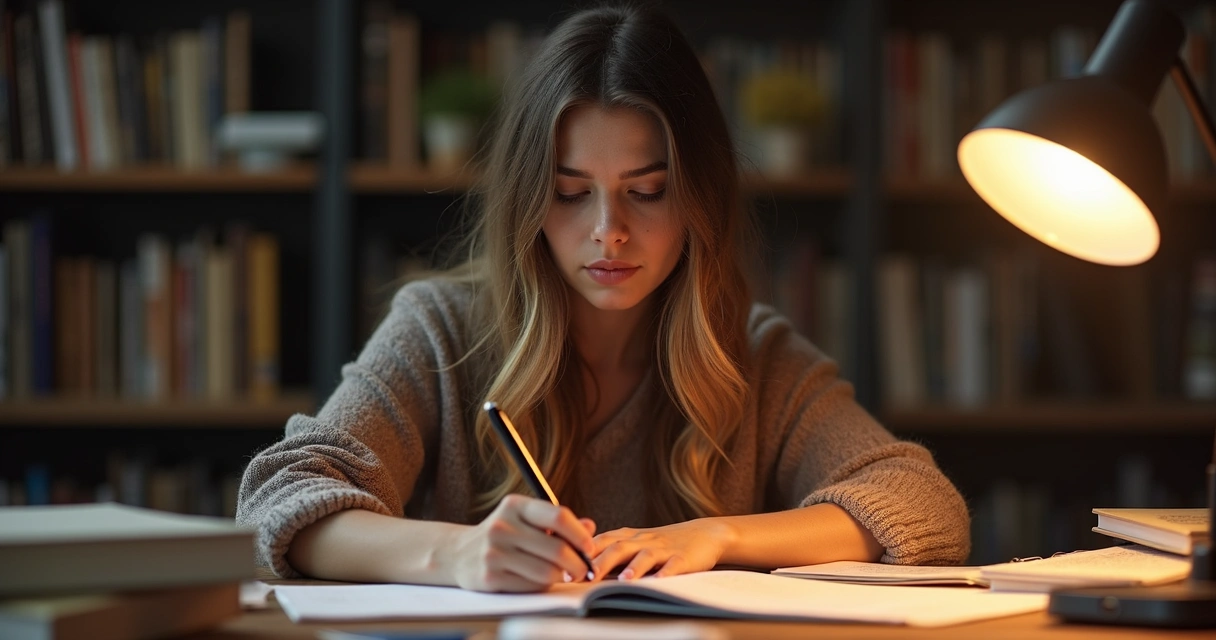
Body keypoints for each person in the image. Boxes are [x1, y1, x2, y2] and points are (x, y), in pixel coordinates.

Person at [236, 5, 970, 593]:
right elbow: (280, 499)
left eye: (646, 192)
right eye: (569, 193)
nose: (608, 231)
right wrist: (455, 554)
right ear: (528, 201)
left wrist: (719, 535)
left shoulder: (753, 355)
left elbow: (922, 502)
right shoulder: (441, 330)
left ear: (698, 200)